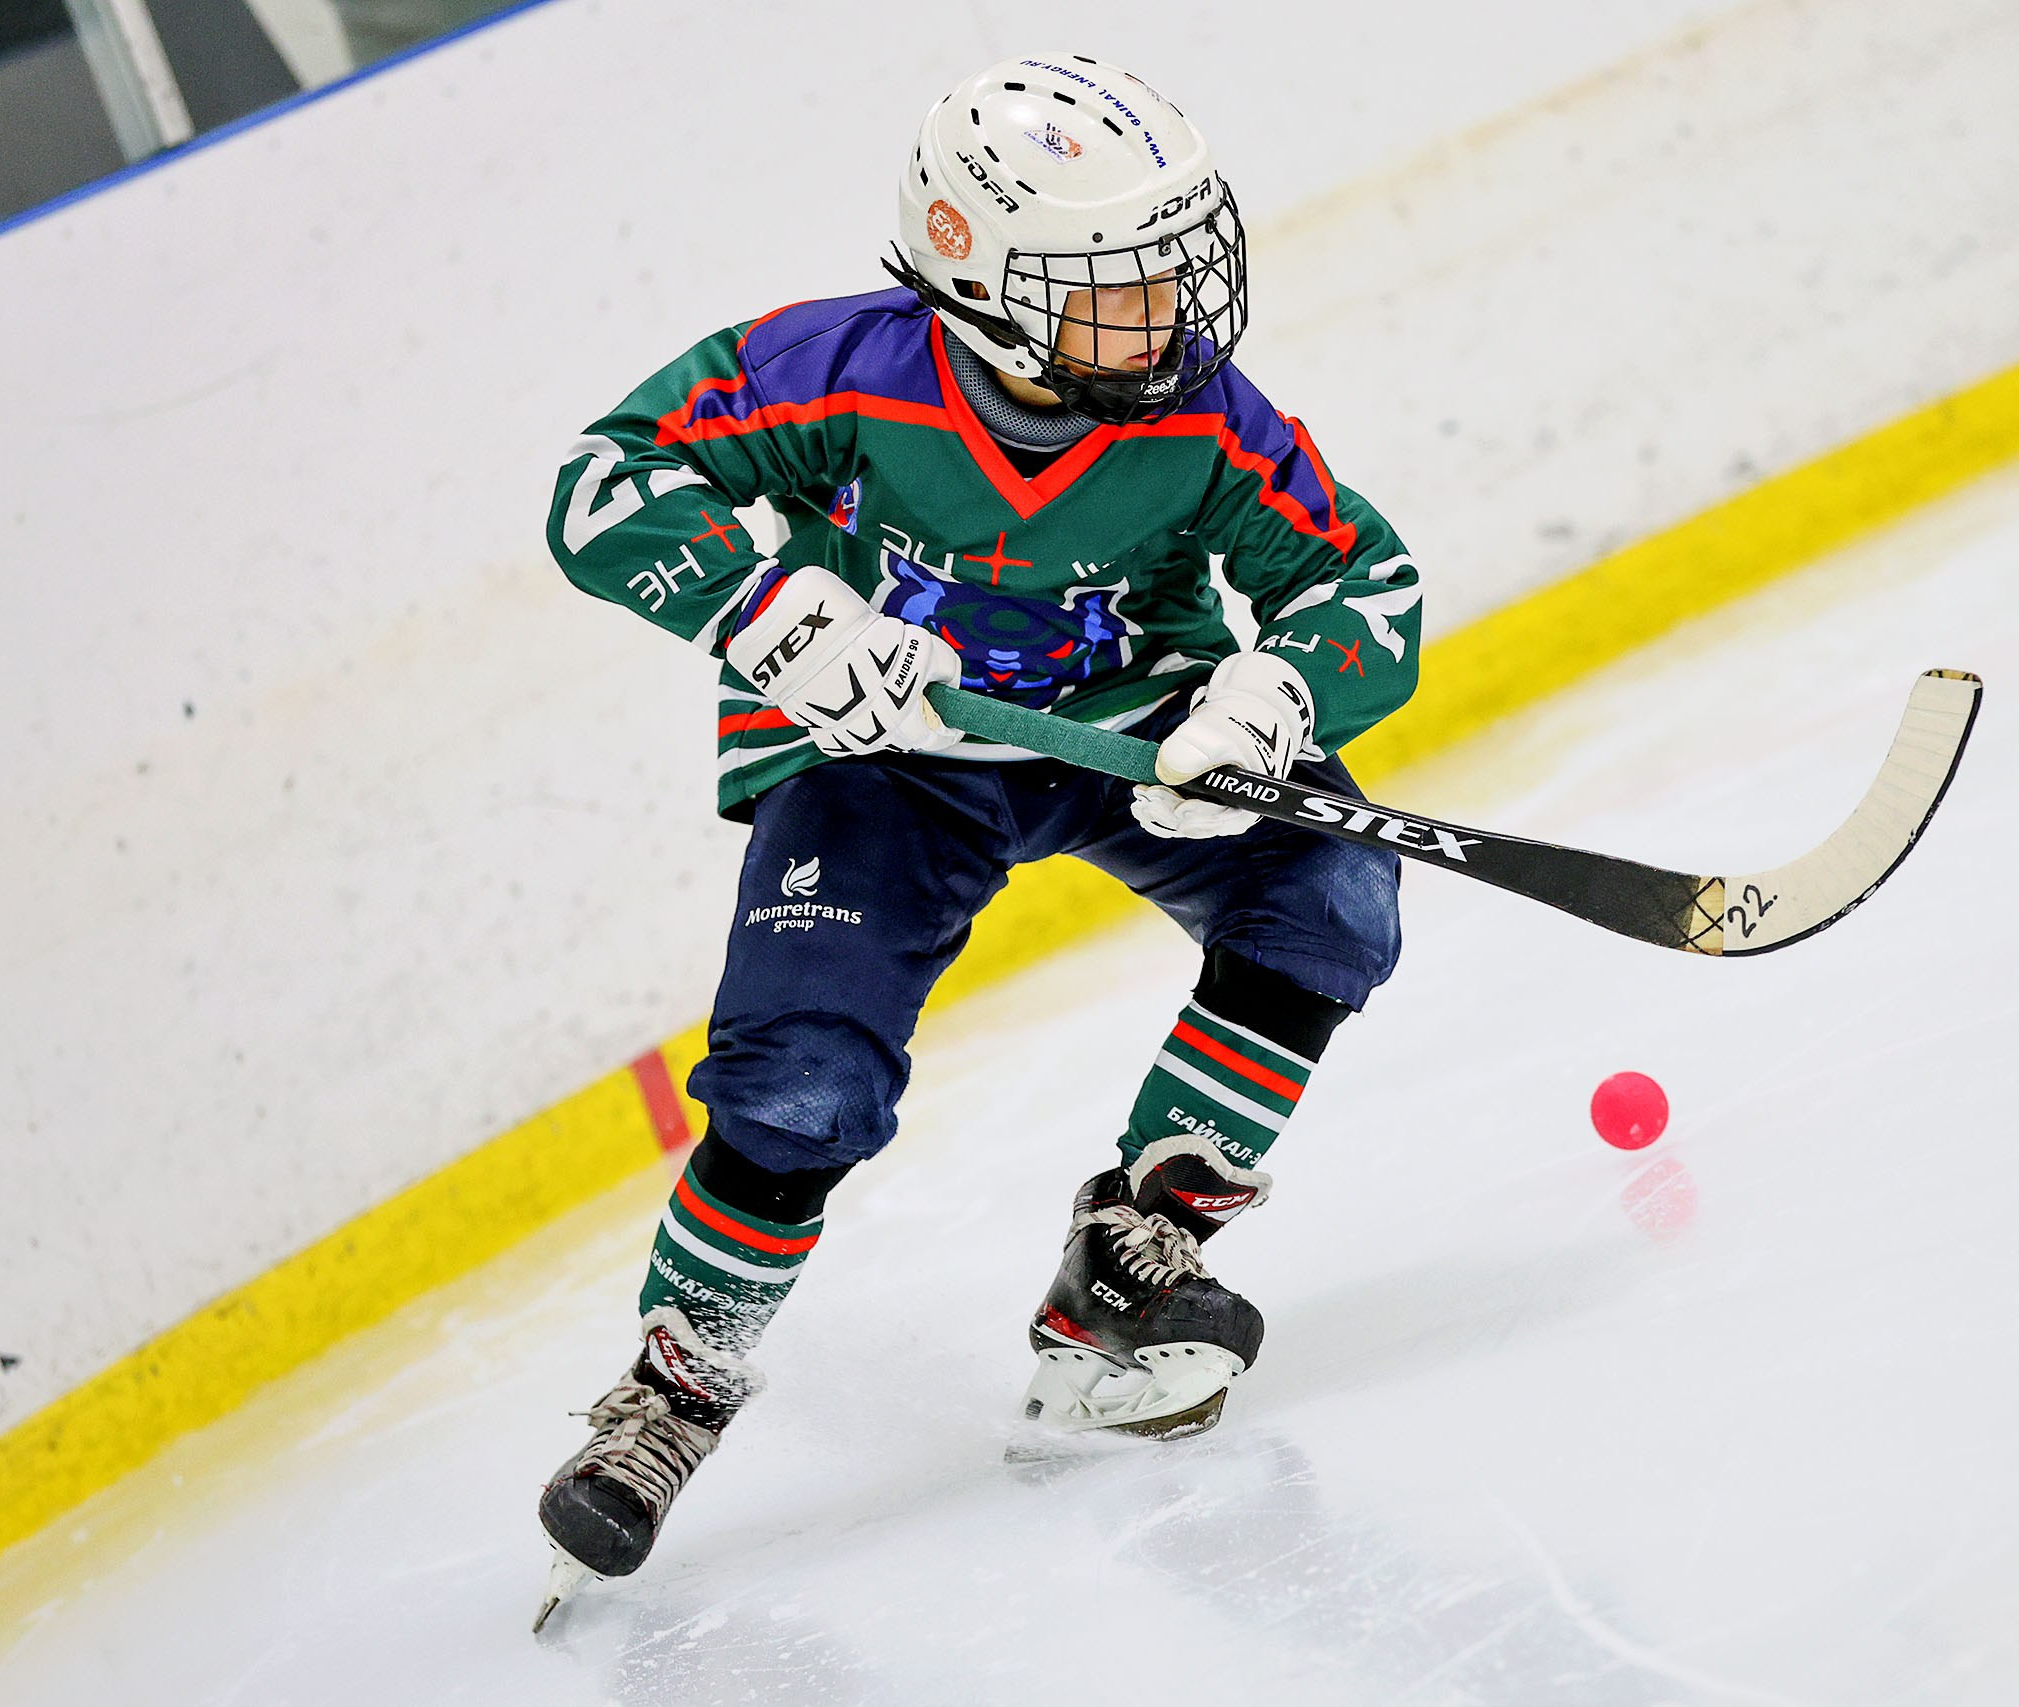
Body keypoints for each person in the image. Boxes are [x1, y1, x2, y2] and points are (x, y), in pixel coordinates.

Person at [532, 51, 1424, 1612]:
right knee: (802, 1086)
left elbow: (1370, 584)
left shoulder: (1206, 422)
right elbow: (604, 485)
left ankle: (1133, 1257)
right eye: (1116, 284)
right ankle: (673, 1392)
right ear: (982, 275)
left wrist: (1269, 696)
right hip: (877, 756)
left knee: (1332, 888)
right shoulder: (842, 369)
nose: (1168, 314)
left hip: (1116, 737)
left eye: (1169, 268)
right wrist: (763, 612)